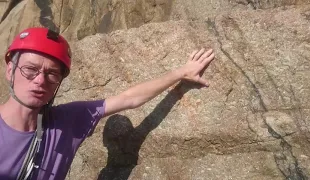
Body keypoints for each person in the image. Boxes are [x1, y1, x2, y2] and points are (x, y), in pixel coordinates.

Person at [0, 27, 215, 180]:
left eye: (52, 73)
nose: (40, 81)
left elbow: (129, 98)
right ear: (10, 69)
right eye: (30, 69)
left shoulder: (66, 121)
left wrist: (181, 72)